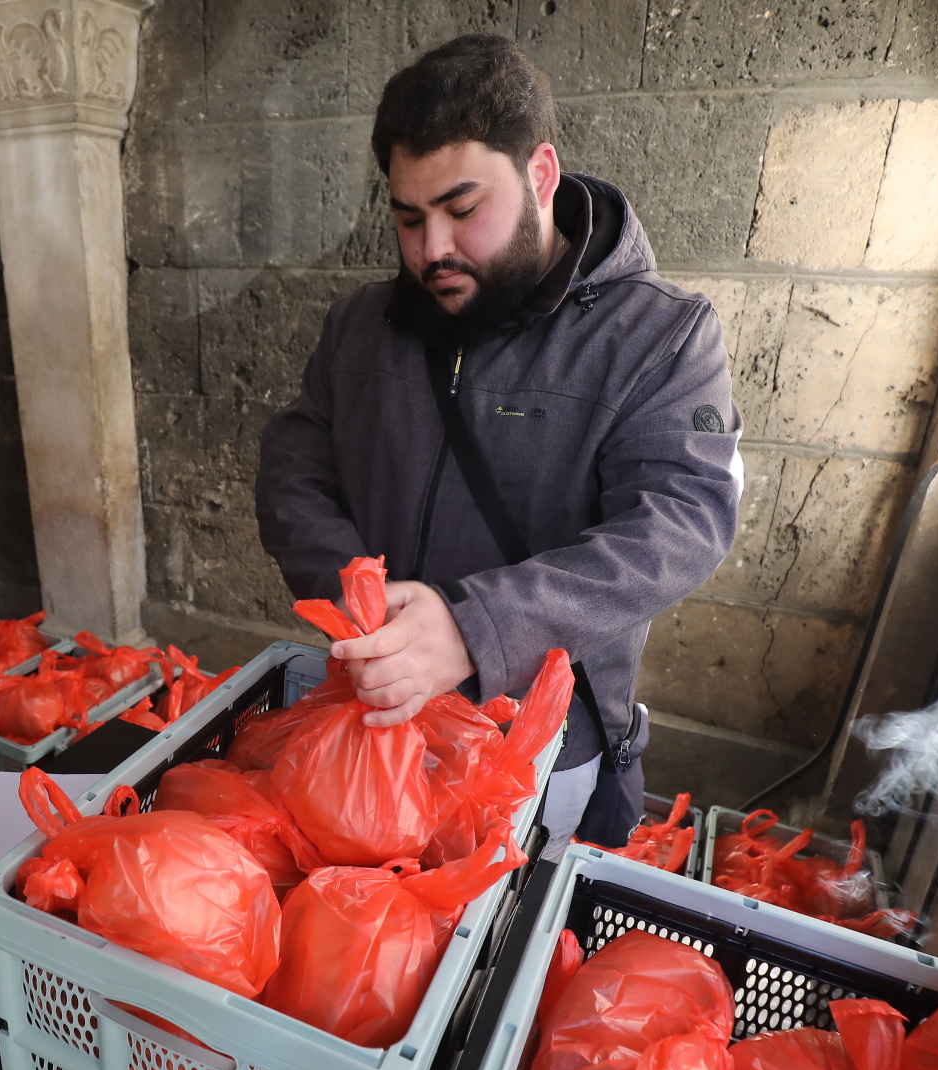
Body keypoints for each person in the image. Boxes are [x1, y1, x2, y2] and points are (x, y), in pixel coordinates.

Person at [255, 35, 742, 846]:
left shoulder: (661, 336)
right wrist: (356, 596)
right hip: (376, 728)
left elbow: (682, 524)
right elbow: (292, 470)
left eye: (462, 209)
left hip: (537, 751)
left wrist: (473, 630)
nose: (432, 249)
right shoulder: (361, 326)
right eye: (409, 218)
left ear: (540, 174)